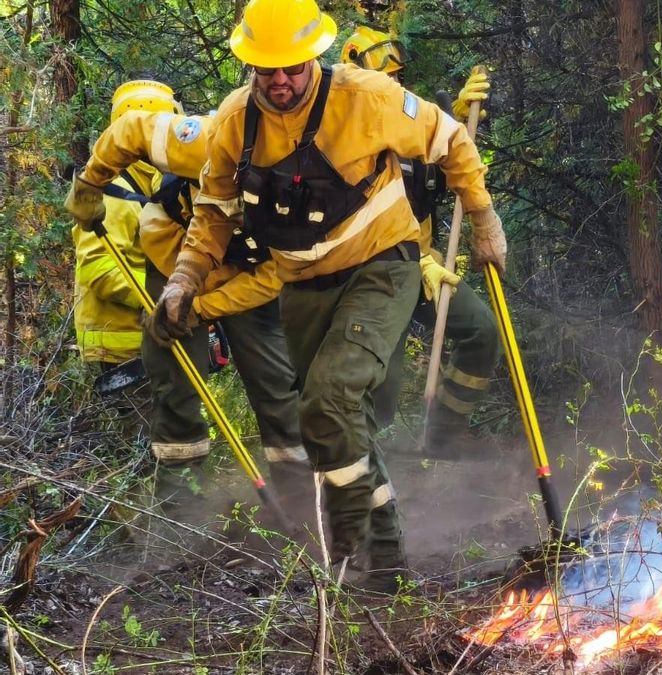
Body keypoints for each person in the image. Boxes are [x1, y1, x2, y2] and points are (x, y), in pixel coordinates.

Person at [152, 0, 504, 591]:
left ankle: (349, 546)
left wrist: (484, 219)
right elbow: (213, 211)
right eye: (267, 69)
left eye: (292, 67)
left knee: (330, 395)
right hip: (301, 284)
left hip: (381, 265)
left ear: (314, 56)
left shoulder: (367, 97)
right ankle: (387, 560)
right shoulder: (234, 121)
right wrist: (185, 279)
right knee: (338, 423)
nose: (281, 80)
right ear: (251, 65)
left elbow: (449, 139)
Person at [63, 83, 310, 522]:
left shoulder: (314, 200)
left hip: (247, 272)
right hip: (177, 258)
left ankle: (302, 498)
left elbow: (271, 279)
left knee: (277, 381)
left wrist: (204, 310)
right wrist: (89, 185)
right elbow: (131, 131)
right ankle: (181, 513)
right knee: (176, 388)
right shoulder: (206, 143)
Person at [340, 24, 501, 451]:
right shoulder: (344, 141)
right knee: (382, 386)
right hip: (375, 276)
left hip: (424, 268)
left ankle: (446, 438)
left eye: (395, 77)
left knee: (482, 333)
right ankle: (364, 471)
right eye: (382, 78)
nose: (391, 86)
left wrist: (456, 120)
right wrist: (414, 258)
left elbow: (440, 164)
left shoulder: (406, 120)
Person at [70, 81, 172, 393]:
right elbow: (98, 269)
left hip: (141, 335)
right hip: (120, 347)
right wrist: (162, 298)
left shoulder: (150, 181)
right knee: (144, 423)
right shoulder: (113, 192)